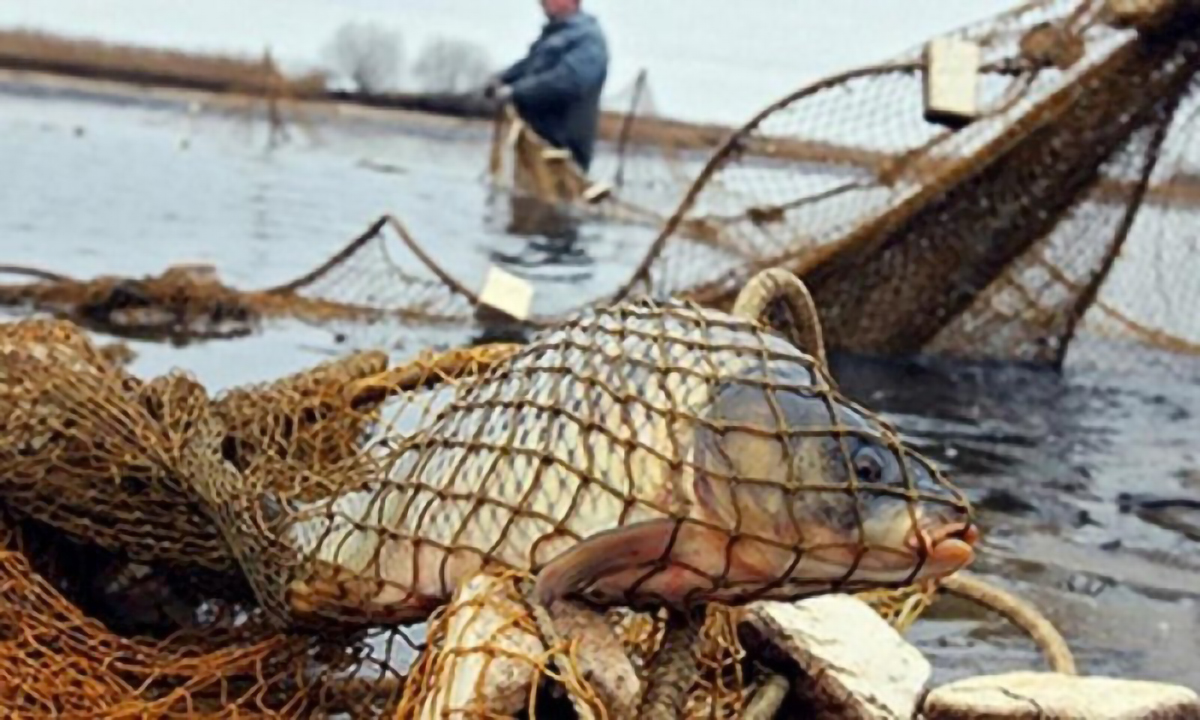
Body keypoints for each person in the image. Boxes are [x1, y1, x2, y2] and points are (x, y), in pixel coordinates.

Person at [485, 0, 609, 173]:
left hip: (563, 149)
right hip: (534, 143)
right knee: (525, 198)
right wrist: (502, 79)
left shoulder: (588, 38)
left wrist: (515, 92)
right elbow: (527, 67)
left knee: (557, 198)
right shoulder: (551, 37)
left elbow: (569, 81)